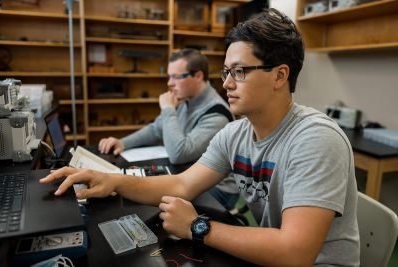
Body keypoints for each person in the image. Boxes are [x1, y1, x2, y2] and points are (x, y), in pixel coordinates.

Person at [40, 8, 360, 266]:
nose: (228, 84)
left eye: (240, 71)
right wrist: (112, 180)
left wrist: (197, 227)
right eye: (226, 72)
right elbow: (182, 184)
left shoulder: (316, 139)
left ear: (280, 75)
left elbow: (295, 253)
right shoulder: (236, 133)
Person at [98, 48, 240, 210]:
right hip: (188, 175)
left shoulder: (217, 114)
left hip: (219, 190)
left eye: (176, 77)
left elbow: (179, 154)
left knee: (150, 204)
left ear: (198, 76)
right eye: (169, 76)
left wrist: (168, 110)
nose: (169, 83)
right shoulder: (185, 98)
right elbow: (156, 128)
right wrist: (122, 143)